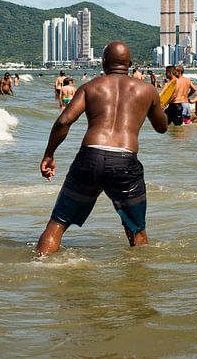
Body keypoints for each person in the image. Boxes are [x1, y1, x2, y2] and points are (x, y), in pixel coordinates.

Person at [36, 41, 168, 255]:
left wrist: (49, 154)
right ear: (130, 64)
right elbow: (162, 127)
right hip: (125, 160)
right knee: (137, 231)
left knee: (57, 223)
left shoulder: (90, 87)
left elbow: (63, 122)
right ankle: (138, 274)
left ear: (104, 62)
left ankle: (39, 266)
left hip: (90, 157)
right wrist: (161, 109)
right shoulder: (147, 90)